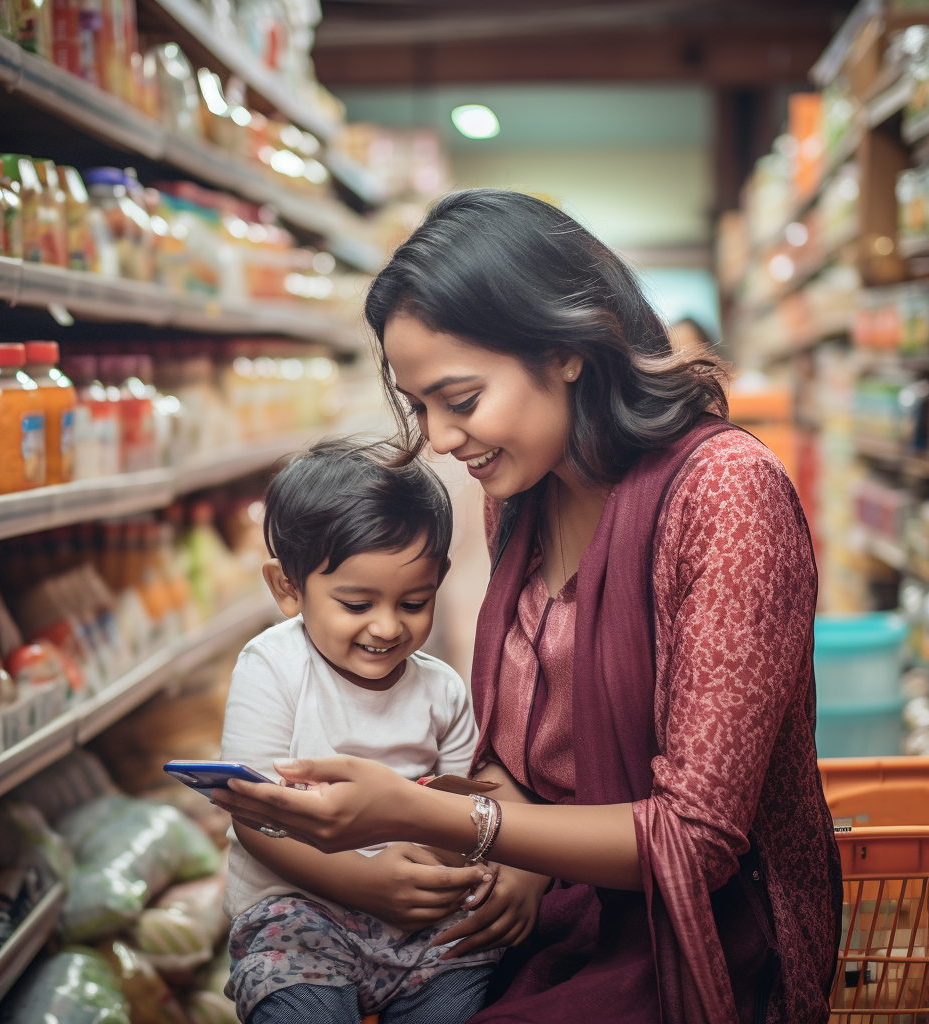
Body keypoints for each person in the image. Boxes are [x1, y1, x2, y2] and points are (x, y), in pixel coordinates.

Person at [211, 190, 843, 1024]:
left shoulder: (726, 497)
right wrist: (478, 844)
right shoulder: (521, 496)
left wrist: (434, 815)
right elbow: (521, 758)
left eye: (461, 399)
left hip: (699, 940)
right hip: (547, 910)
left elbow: (696, 840)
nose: (437, 439)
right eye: (420, 407)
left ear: (567, 349)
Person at [219, 438, 507, 1024]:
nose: (386, 626)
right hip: (298, 913)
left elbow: (459, 807)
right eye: (355, 604)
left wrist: (443, 867)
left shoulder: (442, 690)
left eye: (414, 602)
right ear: (288, 588)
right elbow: (253, 817)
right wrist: (366, 883)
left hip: (420, 921)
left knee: (477, 969)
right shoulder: (272, 667)